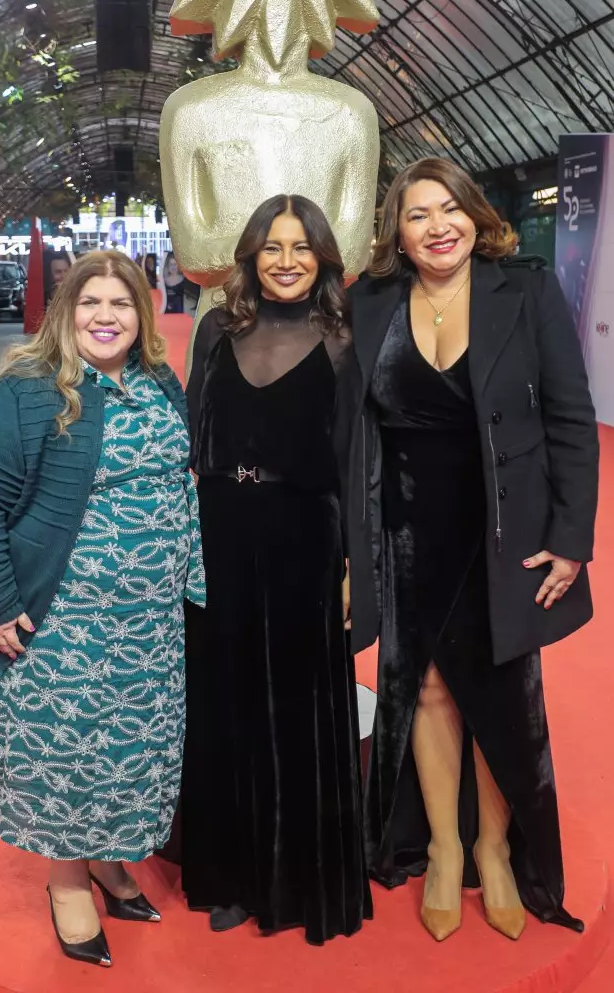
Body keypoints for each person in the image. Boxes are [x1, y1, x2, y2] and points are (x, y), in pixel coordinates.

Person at [346, 158, 598, 942]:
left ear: (477, 216)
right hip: (406, 531)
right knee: (423, 690)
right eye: (418, 214)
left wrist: (569, 539)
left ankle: (495, 846)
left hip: (505, 535)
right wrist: (353, 547)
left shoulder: (522, 291)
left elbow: (570, 419)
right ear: (398, 229)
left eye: (451, 208)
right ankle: (446, 849)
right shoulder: (372, 301)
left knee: (499, 696)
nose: (438, 226)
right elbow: (352, 430)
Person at [0, 250, 205, 967]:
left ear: (142, 313)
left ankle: (106, 860)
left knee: (125, 753)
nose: (105, 316)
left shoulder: (159, 380)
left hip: (149, 623)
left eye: (120, 304)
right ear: (66, 313)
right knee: (65, 755)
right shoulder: (29, 388)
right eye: (89, 302)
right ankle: (66, 879)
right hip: (60, 619)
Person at [182, 194, 371, 945]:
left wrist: (355, 558)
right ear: (250, 257)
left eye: (300, 247)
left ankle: (296, 878)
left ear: (323, 256)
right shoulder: (216, 330)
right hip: (221, 532)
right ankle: (229, 876)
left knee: (296, 706)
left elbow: (360, 460)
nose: (286, 260)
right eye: (271, 247)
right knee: (224, 705)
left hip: (305, 537)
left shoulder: (343, 338)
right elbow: (191, 438)